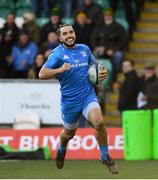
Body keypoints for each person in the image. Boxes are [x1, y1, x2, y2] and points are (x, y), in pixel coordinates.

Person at [39, 24, 119, 174]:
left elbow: (94, 65)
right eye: (65, 34)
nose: (69, 35)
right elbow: (42, 74)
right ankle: (62, 149)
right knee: (69, 134)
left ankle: (104, 156)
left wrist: (101, 71)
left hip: (87, 95)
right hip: (69, 102)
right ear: (60, 38)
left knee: (99, 122)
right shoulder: (57, 54)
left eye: (71, 32)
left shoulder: (84, 49)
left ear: (74, 33)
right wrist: (59, 70)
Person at [91, 8, 126, 82]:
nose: (107, 17)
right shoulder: (99, 26)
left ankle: (114, 75)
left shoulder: (119, 28)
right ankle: (95, 77)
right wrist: (95, 47)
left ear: (112, 16)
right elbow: (93, 38)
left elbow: (122, 42)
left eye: (109, 15)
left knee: (118, 55)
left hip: (113, 50)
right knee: (92, 55)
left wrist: (114, 50)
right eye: (106, 15)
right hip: (100, 49)